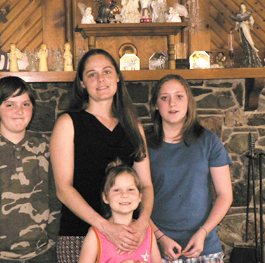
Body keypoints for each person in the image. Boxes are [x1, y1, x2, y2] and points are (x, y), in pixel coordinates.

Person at [50, 49, 154, 263]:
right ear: (81, 83)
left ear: (117, 76)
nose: (100, 79)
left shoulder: (134, 127)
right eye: (92, 74)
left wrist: (142, 223)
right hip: (78, 235)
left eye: (106, 72)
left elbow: (146, 185)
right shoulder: (68, 124)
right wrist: (106, 227)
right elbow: (63, 189)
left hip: (127, 237)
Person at [0, 76, 61, 263]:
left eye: (25, 104)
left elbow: (55, 195)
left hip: (42, 253)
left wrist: (52, 240)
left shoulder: (44, 145)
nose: (19, 111)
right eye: (10, 105)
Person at [147, 74, 233, 262]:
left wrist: (203, 232)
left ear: (189, 102)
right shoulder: (143, 144)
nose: (172, 103)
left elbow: (225, 194)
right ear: (155, 105)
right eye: (164, 98)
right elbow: (135, 199)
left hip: (204, 247)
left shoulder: (209, 141)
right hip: (156, 249)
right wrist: (160, 237)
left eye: (179, 96)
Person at [78, 159, 161, 263]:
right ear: (105, 197)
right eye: (117, 190)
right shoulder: (95, 235)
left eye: (131, 189)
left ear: (140, 196)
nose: (125, 195)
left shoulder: (148, 231)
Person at [230, 2, 262, 67]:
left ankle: (252, 61)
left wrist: (247, 22)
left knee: (249, 42)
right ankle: (246, 60)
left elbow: (252, 21)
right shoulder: (239, 15)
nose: (242, 7)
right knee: (244, 44)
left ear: (245, 7)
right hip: (241, 30)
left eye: (243, 6)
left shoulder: (247, 14)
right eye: (241, 6)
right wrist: (238, 23)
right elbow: (236, 23)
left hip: (246, 29)